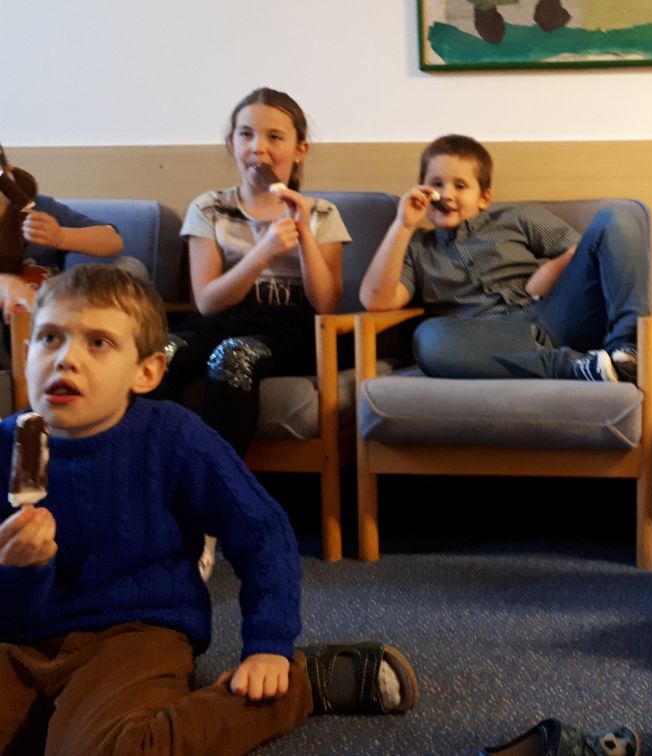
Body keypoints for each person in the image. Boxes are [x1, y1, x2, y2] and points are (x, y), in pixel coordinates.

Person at [0, 265, 417, 755]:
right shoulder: (9, 445)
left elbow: (263, 533)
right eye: (49, 338)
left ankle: (305, 684)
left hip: (132, 633)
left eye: (98, 343)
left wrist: (268, 644)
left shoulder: (174, 437)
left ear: (147, 372)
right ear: (25, 354)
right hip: (22, 641)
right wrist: (19, 571)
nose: (66, 359)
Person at [359, 133, 649, 382]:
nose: (446, 195)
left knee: (614, 220)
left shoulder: (518, 218)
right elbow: (376, 301)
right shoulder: (417, 247)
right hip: (489, 340)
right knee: (427, 338)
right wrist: (403, 225)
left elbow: (589, 251)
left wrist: (547, 274)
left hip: (554, 315)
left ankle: (628, 351)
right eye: (436, 184)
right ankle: (577, 368)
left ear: (484, 197)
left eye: (460, 186)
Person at [157, 88, 349, 458]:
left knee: (235, 355)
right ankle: (159, 468)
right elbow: (208, 302)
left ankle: (217, 477)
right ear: (231, 144)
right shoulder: (209, 208)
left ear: (300, 149)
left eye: (274, 137)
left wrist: (303, 231)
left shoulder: (322, 213)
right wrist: (263, 252)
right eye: (246, 134)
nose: (258, 148)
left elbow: (326, 303)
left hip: (293, 333)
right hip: (220, 323)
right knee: (160, 352)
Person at [0, 146, 124, 322]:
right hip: (8, 324)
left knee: (130, 267)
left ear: (7, 171)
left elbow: (113, 241)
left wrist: (61, 237)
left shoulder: (42, 208)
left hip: (53, 319)